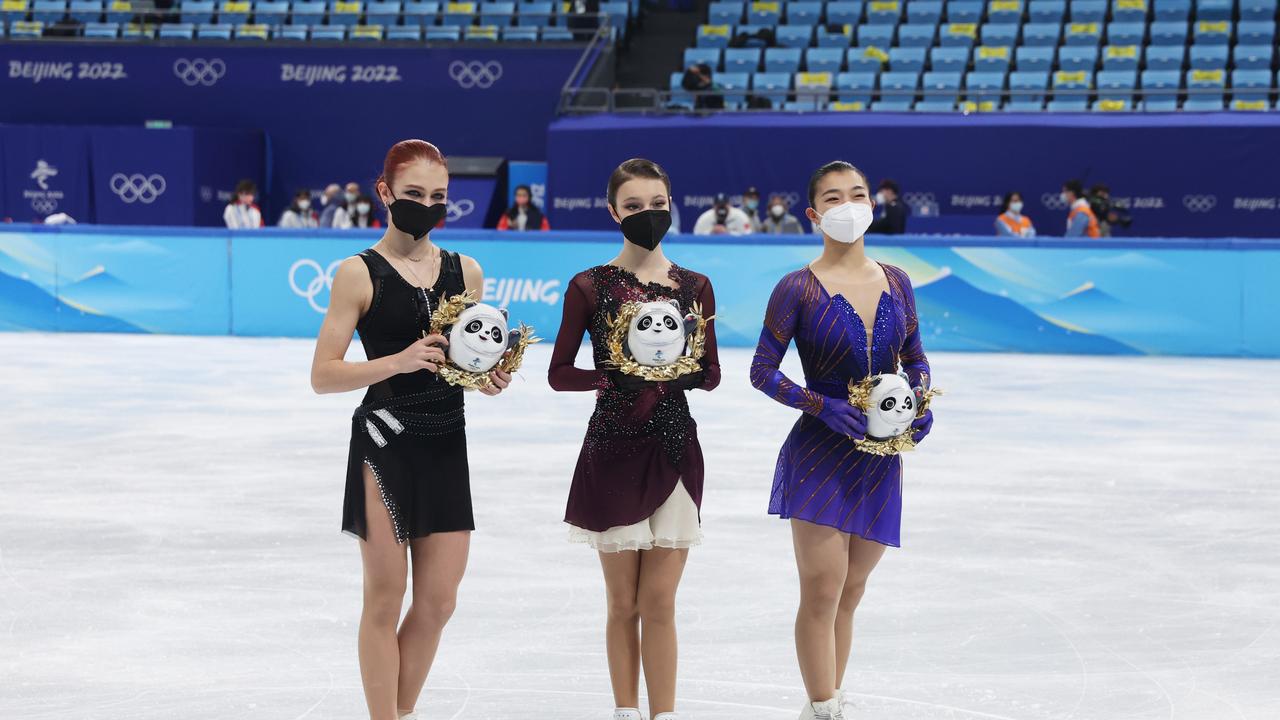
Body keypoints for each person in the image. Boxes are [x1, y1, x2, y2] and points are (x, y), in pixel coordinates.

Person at [309, 139, 512, 720]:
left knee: (440, 602)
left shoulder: (465, 271)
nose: (427, 205)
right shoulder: (357, 273)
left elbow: (463, 361)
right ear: (385, 193)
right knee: (384, 597)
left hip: (447, 440)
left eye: (438, 196)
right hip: (385, 442)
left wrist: (486, 377)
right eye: (414, 194)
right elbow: (323, 375)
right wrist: (395, 361)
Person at [749, 161, 933, 720]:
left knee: (851, 591)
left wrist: (920, 405)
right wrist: (819, 404)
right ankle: (824, 706)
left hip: (880, 457)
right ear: (814, 214)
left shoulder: (898, 280)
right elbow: (762, 370)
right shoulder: (797, 288)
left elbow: (916, 359)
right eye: (834, 197)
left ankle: (828, 699)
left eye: (858, 193)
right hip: (821, 453)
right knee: (823, 590)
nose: (849, 204)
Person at [548, 158, 720, 720]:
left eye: (658, 205)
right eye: (634, 207)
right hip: (614, 449)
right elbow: (558, 373)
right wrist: (614, 373)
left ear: (672, 205)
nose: (648, 215)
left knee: (660, 601)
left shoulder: (695, 287)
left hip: (673, 447)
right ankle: (626, 712)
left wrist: (673, 366)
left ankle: (663, 715)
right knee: (623, 603)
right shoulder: (589, 286)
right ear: (612, 211)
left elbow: (711, 374)